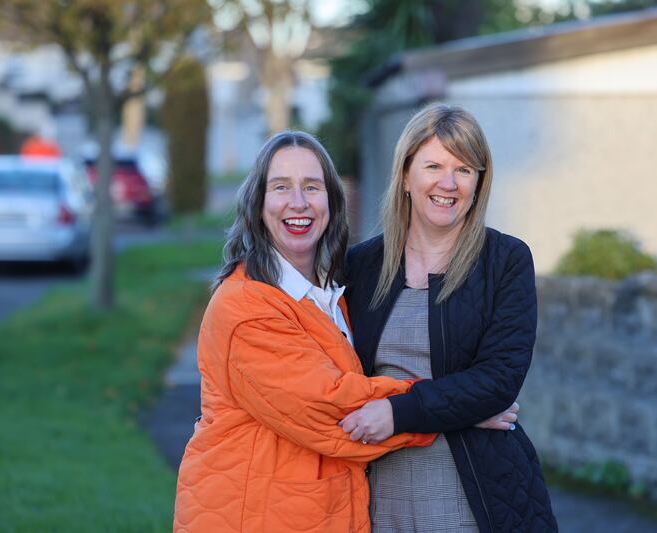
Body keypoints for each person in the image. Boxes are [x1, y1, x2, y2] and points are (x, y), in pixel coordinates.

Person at [173, 131, 518, 533]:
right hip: (256, 515)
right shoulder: (245, 306)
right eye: (281, 187)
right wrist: (461, 407)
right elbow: (334, 409)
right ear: (257, 204)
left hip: (317, 511)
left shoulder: (332, 294)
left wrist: (453, 403)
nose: (298, 203)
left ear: (332, 204)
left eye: (312, 187)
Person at [342, 104, 559, 532]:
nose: (448, 183)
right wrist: (458, 408)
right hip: (378, 495)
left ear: (479, 183)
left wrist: (399, 412)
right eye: (434, 166)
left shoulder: (505, 261)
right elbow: (333, 377)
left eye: (464, 169)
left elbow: (498, 379)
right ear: (405, 176)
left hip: (477, 495)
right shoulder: (359, 267)